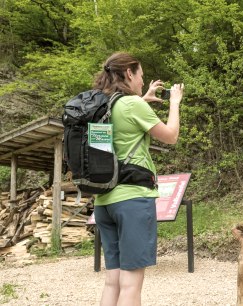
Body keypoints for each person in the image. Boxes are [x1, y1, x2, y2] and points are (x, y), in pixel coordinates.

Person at [92, 52, 184, 306]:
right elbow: (171, 136)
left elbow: (122, 123)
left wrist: (144, 99)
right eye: (141, 76)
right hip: (132, 201)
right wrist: (174, 102)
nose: (143, 82)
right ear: (129, 74)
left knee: (113, 281)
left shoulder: (102, 104)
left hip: (103, 202)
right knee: (131, 284)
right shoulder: (132, 105)